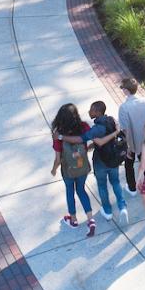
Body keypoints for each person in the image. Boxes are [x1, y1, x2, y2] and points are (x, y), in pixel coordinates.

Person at [60, 101, 129, 224]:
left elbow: (80, 139)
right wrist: (94, 143)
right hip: (114, 159)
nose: (89, 112)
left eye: (91, 110)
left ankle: (107, 211)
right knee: (116, 182)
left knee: (102, 186)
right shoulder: (111, 120)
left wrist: (60, 137)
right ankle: (122, 207)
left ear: (97, 112)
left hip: (101, 161)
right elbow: (108, 139)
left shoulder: (97, 129)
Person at [50, 103, 96, 237]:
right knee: (81, 190)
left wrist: (54, 169)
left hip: (68, 170)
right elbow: (92, 139)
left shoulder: (58, 134)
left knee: (70, 191)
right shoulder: (84, 127)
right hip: (83, 167)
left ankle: (73, 220)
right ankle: (90, 219)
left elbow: (58, 158)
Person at [118, 77, 145, 197]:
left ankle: (132, 188)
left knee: (129, 165)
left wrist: (129, 147)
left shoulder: (124, 108)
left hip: (132, 142)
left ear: (126, 90)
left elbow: (125, 129)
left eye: (123, 88)